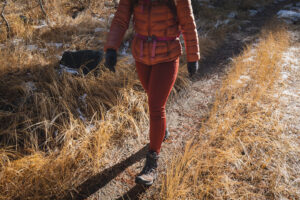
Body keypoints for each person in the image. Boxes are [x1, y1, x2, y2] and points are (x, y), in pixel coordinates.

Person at [104, 0, 200, 186]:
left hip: (167, 56)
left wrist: (193, 56)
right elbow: (121, 19)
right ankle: (161, 130)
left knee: (156, 107)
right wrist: (111, 47)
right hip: (142, 55)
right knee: (152, 97)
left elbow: (187, 21)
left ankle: (152, 162)